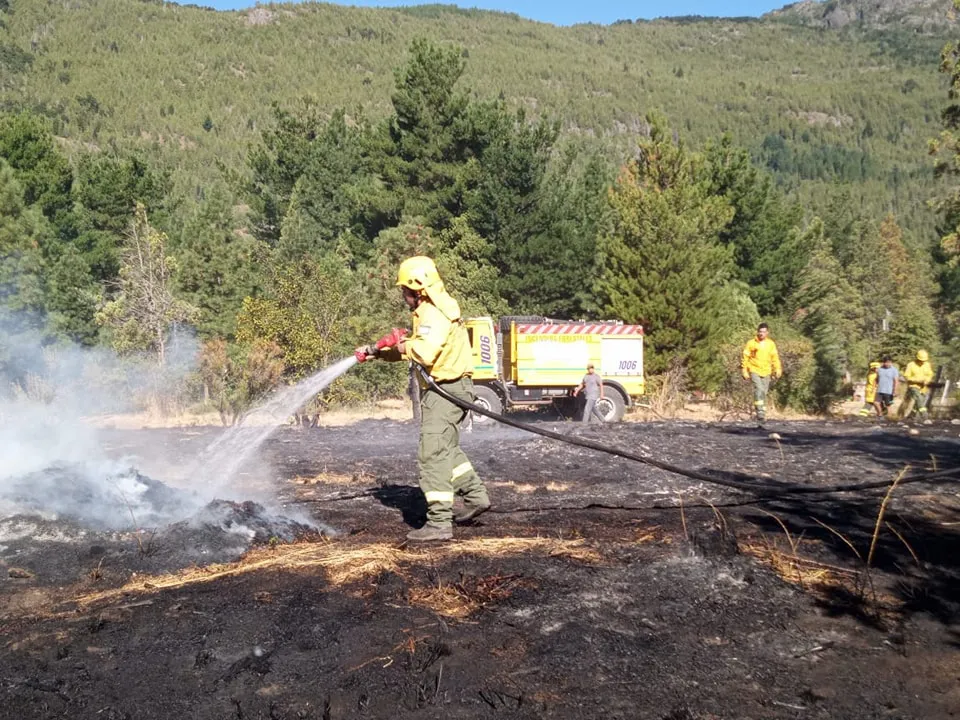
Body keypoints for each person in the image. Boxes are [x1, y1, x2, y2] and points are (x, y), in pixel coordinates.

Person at [355, 256, 491, 542]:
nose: (403, 296)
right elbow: (414, 349)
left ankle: (439, 523)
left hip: (445, 390)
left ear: (418, 289)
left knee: (431, 454)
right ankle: (476, 497)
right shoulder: (432, 312)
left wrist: (398, 343)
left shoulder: (433, 314)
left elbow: (425, 352)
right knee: (447, 450)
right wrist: (379, 352)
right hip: (454, 389)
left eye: (404, 290)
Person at [741, 322, 782, 428]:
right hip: (754, 369)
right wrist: (744, 370)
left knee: (764, 393)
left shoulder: (771, 344)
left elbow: (775, 358)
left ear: (767, 333)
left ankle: (762, 418)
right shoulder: (751, 343)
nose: (761, 334)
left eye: (763, 332)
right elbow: (745, 357)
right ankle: (760, 414)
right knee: (759, 389)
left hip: (766, 371)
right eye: (760, 331)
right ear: (757, 332)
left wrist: (777, 369)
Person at [901, 349, 934, 420]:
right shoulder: (911, 365)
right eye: (921, 360)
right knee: (919, 399)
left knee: (919, 402)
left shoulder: (927, 365)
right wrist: (917, 381)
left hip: (924, 387)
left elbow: (930, 374)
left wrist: (927, 380)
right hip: (913, 386)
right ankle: (924, 415)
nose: (922, 362)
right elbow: (907, 376)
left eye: (924, 360)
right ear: (917, 358)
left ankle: (912, 415)